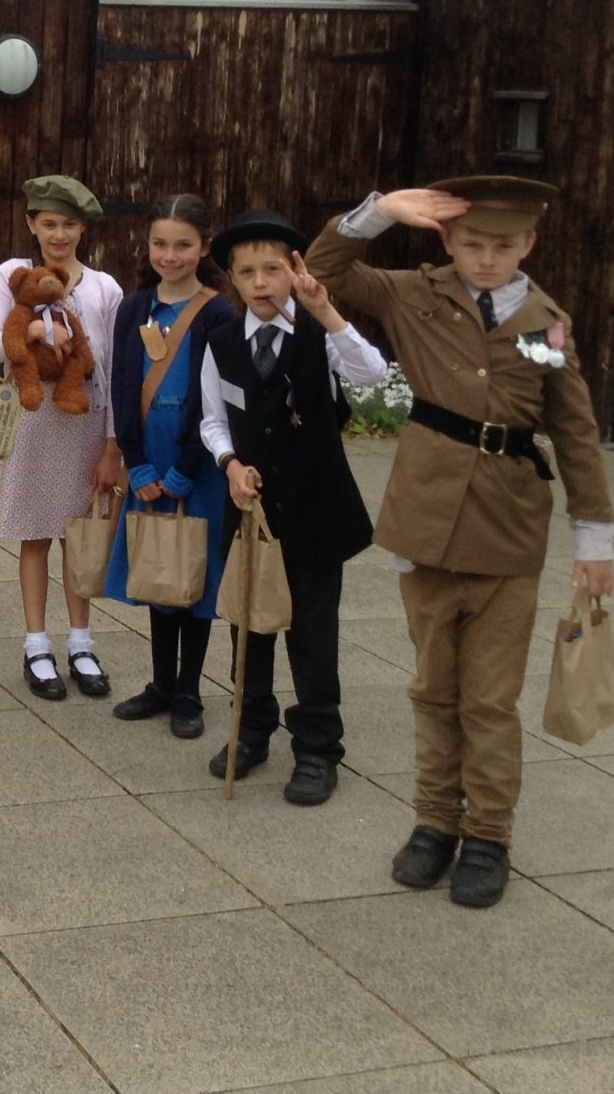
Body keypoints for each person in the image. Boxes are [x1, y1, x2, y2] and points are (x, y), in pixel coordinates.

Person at [307, 178, 614, 907]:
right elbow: (322, 271)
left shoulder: (545, 325)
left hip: (508, 533)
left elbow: (574, 433)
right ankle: (435, 825)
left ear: (529, 246)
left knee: (489, 701)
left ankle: (489, 837)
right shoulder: (416, 294)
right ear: (447, 241)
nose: (486, 260)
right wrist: (380, 213)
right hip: (426, 521)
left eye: (503, 247)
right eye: (472, 244)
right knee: (431, 690)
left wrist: (594, 540)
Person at [199, 210, 387, 804]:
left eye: (273, 270)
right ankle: (251, 728)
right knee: (248, 625)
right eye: (247, 271)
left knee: (311, 631)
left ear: (295, 271)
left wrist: (326, 310)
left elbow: (373, 377)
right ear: (231, 277)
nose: (260, 283)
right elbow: (213, 417)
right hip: (252, 513)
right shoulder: (222, 340)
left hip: (315, 507)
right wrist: (230, 463)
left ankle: (317, 747)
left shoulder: (318, 334)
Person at [0, 176, 126, 701]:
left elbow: (113, 369)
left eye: (68, 225)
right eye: (48, 224)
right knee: (37, 533)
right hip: (36, 417)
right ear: (31, 225)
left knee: (79, 535)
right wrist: (37, 332)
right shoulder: (13, 276)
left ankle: (82, 642)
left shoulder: (105, 288)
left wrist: (115, 443)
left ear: (82, 228)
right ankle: (37, 643)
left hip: (88, 417)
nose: (58, 234)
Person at [104, 194, 238, 737]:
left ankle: (189, 691)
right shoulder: (134, 308)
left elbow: (216, 399)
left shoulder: (217, 311)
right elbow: (121, 383)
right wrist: (135, 462)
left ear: (204, 247)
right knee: (159, 569)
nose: (170, 254)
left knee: (194, 574)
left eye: (183, 245)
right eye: (161, 243)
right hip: (148, 461)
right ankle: (160, 682)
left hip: (198, 463)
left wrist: (185, 466)